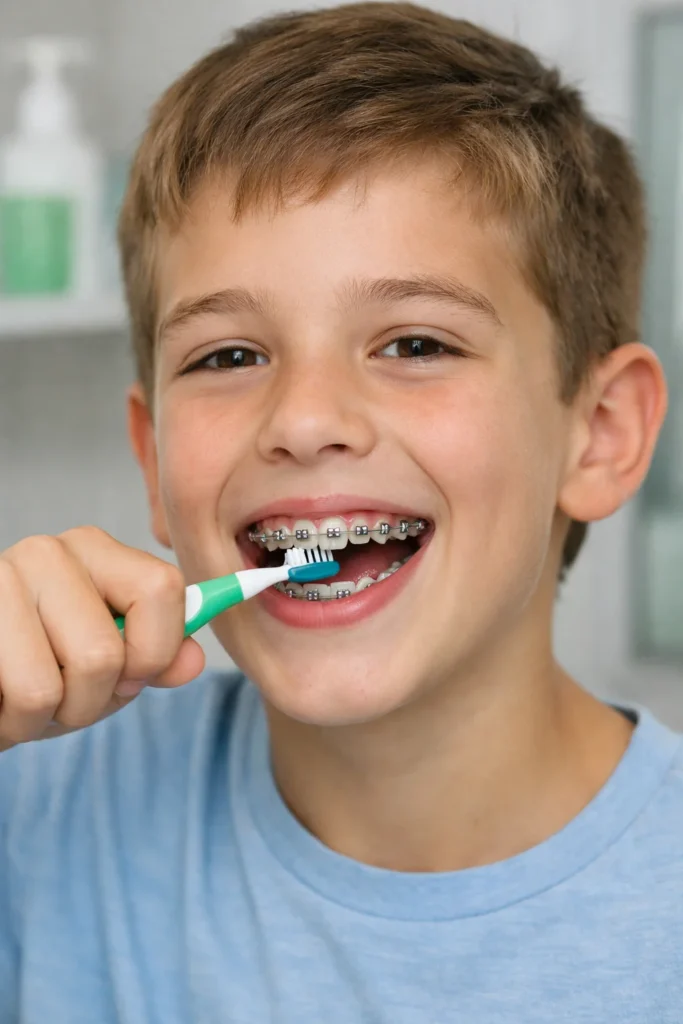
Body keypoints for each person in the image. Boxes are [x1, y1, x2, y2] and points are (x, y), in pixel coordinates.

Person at [0, 3, 678, 1021]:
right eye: (227, 356)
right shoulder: (36, 814)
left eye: (414, 344)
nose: (304, 419)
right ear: (153, 462)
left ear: (599, 432)